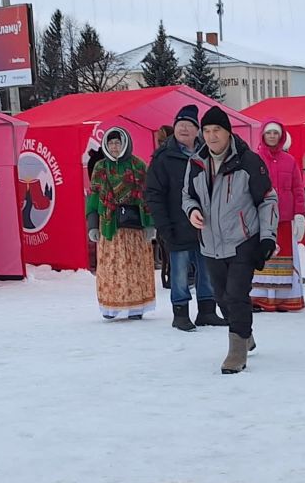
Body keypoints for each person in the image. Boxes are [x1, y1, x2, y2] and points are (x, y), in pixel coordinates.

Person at [181, 107, 275, 374]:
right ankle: (245, 334)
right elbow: (187, 195)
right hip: (210, 242)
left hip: (242, 239)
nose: (211, 137)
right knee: (221, 298)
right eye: (207, 131)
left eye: (217, 131)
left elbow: (267, 199)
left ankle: (236, 353)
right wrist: (192, 211)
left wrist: (267, 238)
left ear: (228, 132)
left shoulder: (248, 161)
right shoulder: (196, 163)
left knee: (236, 295)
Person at [147, 105, 221, 332]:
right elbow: (153, 193)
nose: (184, 130)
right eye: (180, 125)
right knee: (179, 273)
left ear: (197, 130)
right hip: (175, 225)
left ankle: (207, 311)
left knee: (207, 268)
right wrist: (163, 226)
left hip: (205, 224)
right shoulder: (163, 157)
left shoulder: (207, 154)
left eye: (189, 126)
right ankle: (180, 313)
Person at [85, 127, 156, 321]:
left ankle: (136, 307)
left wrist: (150, 224)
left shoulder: (138, 165)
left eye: (117, 142)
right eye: (111, 143)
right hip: (110, 225)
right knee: (111, 267)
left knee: (136, 266)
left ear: (125, 144)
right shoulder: (101, 167)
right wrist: (92, 225)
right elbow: (93, 197)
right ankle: (110, 306)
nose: (114, 147)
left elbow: (148, 196)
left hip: (135, 226)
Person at [250, 120, 305, 313]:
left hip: (284, 216)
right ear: (263, 136)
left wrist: (300, 213)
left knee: (283, 256)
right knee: (263, 257)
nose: (272, 136)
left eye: (276, 133)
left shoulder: (289, 161)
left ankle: (283, 299)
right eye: (269, 133)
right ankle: (259, 299)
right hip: (261, 217)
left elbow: (298, 188)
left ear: (281, 136)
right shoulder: (254, 159)